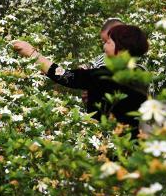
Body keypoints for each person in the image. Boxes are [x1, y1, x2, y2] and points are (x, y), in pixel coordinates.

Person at [13, 25, 149, 137]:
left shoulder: (106, 75)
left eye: (108, 42)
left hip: (109, 141)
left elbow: (66, 76)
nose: (104, 48)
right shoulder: (142, 72)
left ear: (122, 49)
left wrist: (32, 53)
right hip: (134, 141)